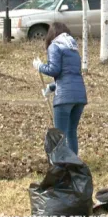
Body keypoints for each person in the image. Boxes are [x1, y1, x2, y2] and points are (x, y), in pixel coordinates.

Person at [32, 22, 87, 156]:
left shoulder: (54, 46)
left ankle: (59, 163)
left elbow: (54, 70)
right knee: (71, 131)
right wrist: (51, 87)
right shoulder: (73, 48)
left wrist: (40, 66)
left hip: (64, 98)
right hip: (80, 96)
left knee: (59, 134)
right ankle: (74, 162)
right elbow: (70, 74)